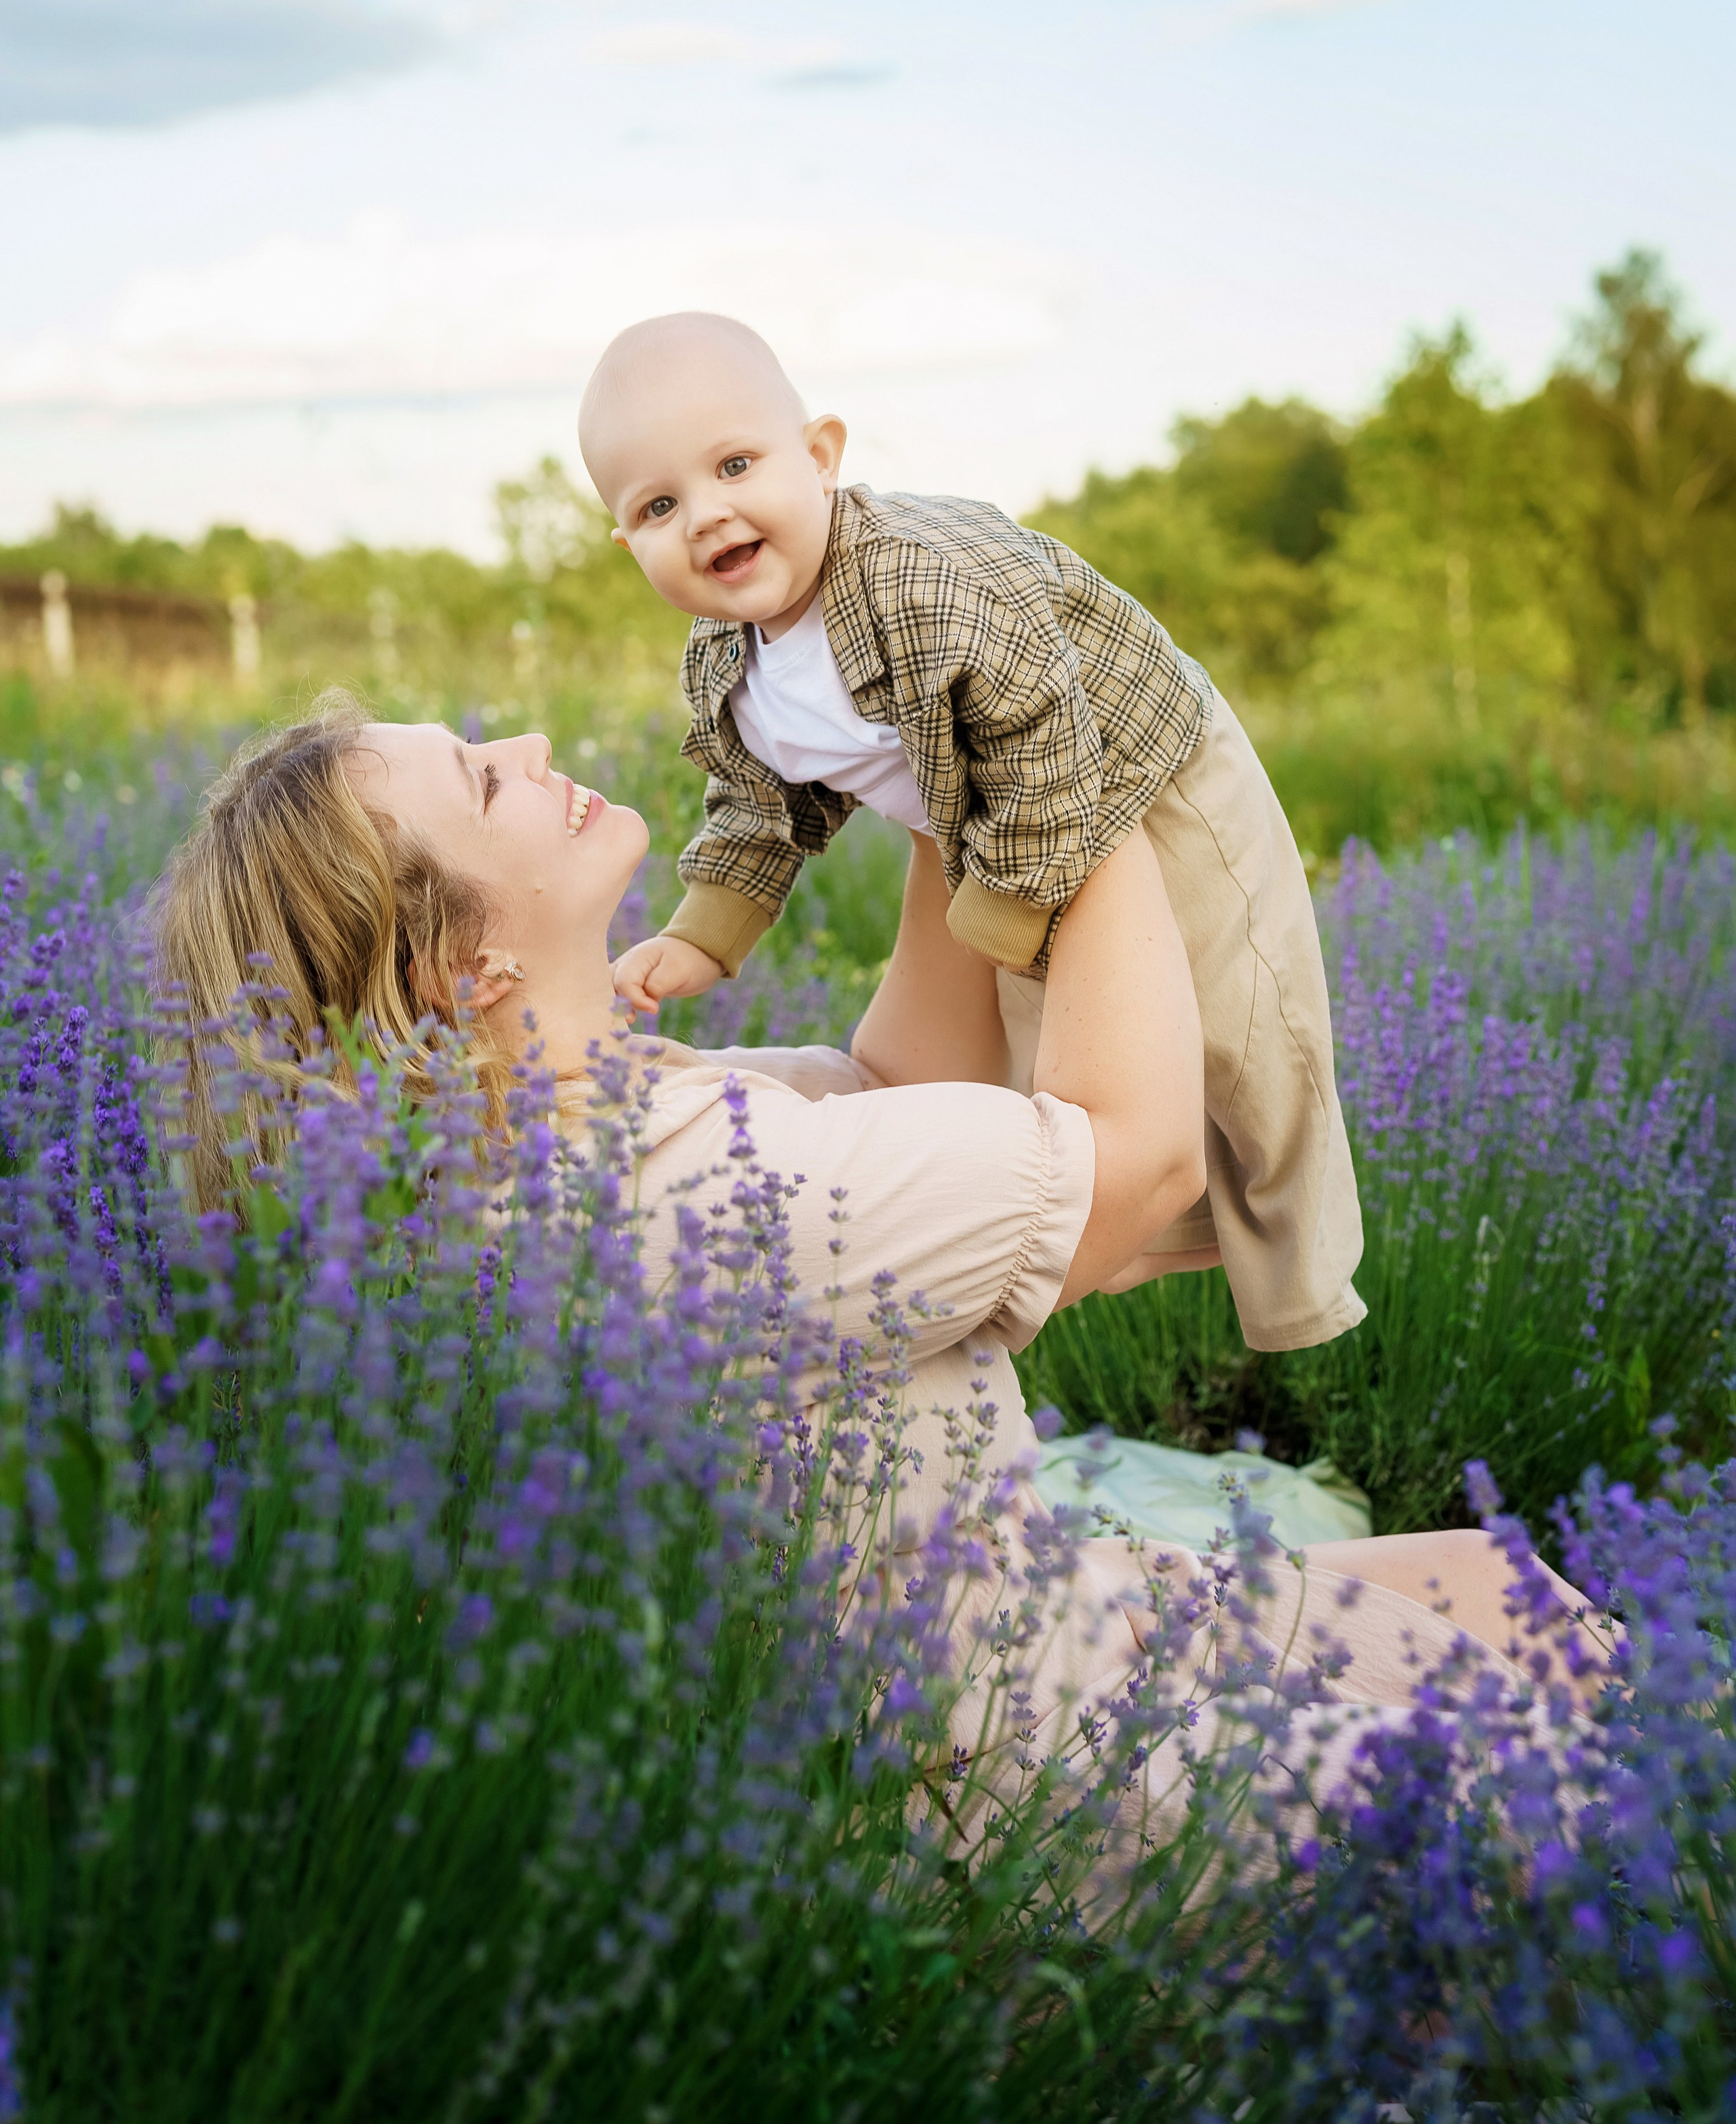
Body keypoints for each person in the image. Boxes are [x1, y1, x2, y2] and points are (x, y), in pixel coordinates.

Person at [155, 702, 1609, 1874]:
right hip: (1039, 1771)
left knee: (1494, 1581)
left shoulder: (542, 1153)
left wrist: (928, 753)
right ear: (458, 962)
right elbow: (1136, 1164)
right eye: (484, 782)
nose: (530, 749)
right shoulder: (690, 1206)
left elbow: (901, 1089)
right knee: (1605, 1790)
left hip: (1035, 1619)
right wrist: (1056, 779)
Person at [579, 312, 1362, 1357]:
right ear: (628, 541)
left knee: (1248, 1009)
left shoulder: (924, 583)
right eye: (661, 504)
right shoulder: (726, 660)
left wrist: (1005, 896)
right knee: (1066, 1057)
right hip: (993, 821)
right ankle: (1142, 1235)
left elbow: (1044, 723)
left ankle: (1302, 1284)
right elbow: (758, 797)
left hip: (1143, 764)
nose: (708, 514)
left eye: (734, 465)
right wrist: (709, 928)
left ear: (820, 457)